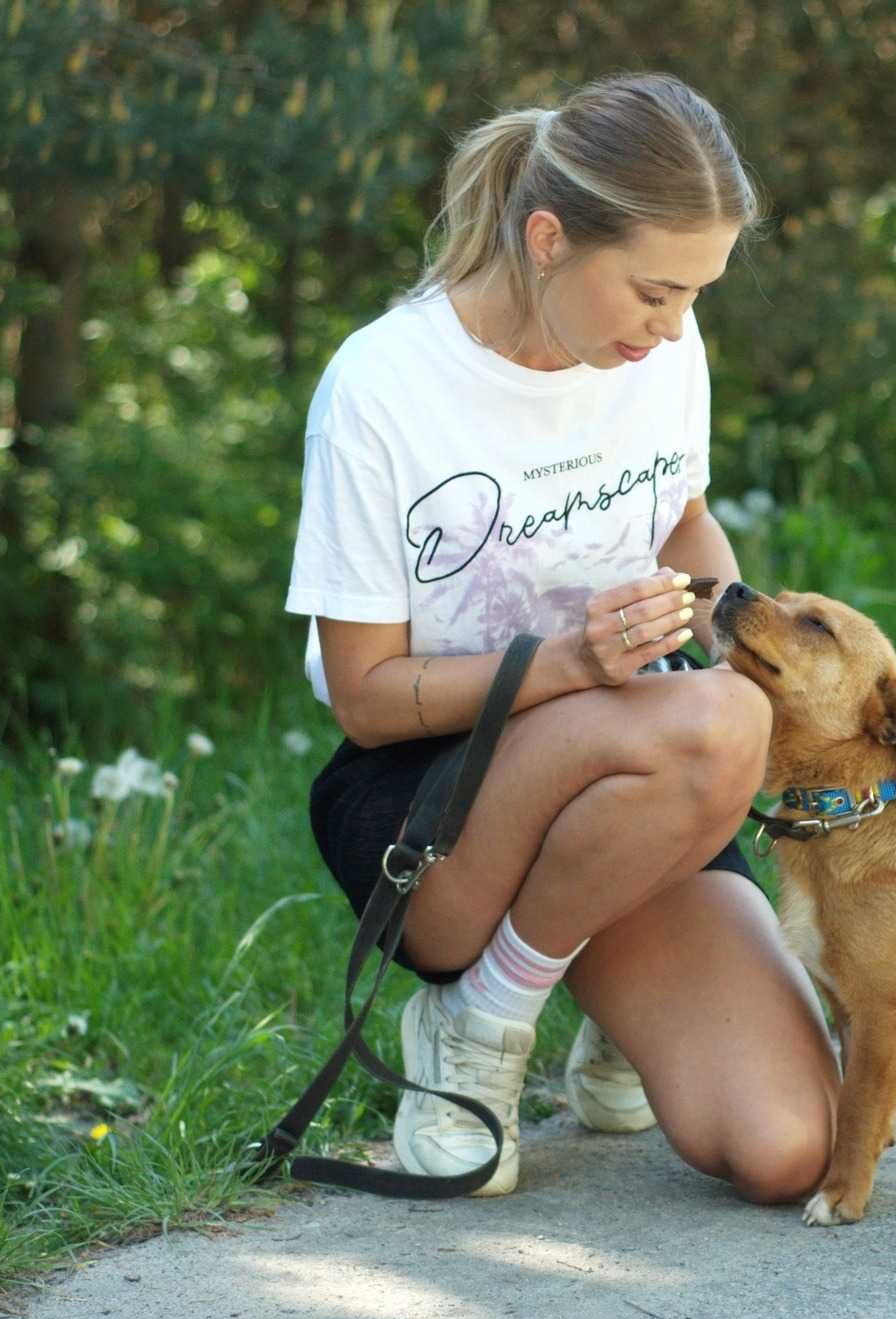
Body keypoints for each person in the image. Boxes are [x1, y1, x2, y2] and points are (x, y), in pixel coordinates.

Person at [284, 73, 838, 1202]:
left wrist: (711, 606)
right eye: (651, 292)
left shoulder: (659, 352)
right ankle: (479, 1018)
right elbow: (364, 696)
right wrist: (578, 664)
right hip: (437, 810)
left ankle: (594, 991)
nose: (674, 328)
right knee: (716, 716)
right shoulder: (381, 388)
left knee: (790, 1151)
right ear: (546, 238)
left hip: (647, 785)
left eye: (694, 295)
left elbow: (684, 519)